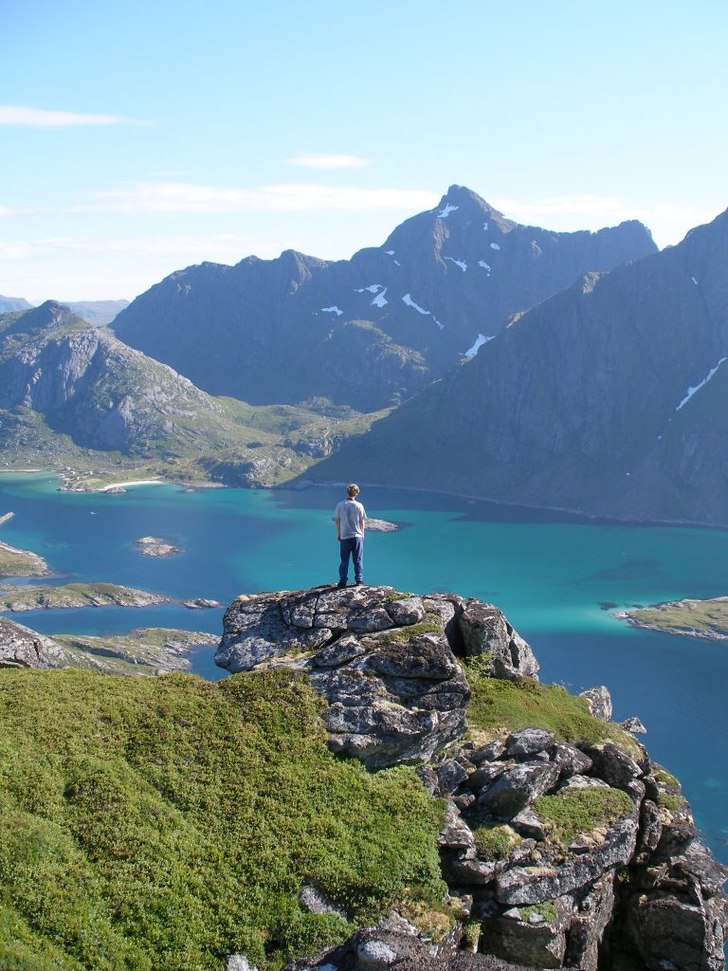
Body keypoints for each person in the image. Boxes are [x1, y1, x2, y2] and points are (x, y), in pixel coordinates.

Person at [334, 483, 366, 587]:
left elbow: (337, 521)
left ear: (347, 492)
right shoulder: (359, 505)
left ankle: (343, 581)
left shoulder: (340, 505)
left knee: (344, 560)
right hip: (357, 536)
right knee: (358, 560)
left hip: (345, 536)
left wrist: (338, 533)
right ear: (356, 493)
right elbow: (362, 522)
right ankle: (359, 580)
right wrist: (362, 534)